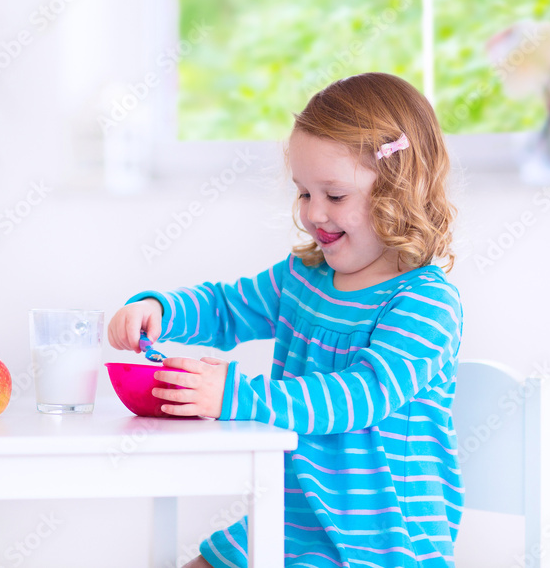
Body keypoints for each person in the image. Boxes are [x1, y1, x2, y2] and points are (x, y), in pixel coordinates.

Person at [108, 73, 463, 568]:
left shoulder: (425, 303)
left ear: (398, 191)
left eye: (334, 195)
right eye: (303, 192)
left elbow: (363, 395)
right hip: (288, 523)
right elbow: (226, 309)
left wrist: (234, 396)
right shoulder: (304, 277)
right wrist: (162, 311)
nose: (314, 212)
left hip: (380, 544)